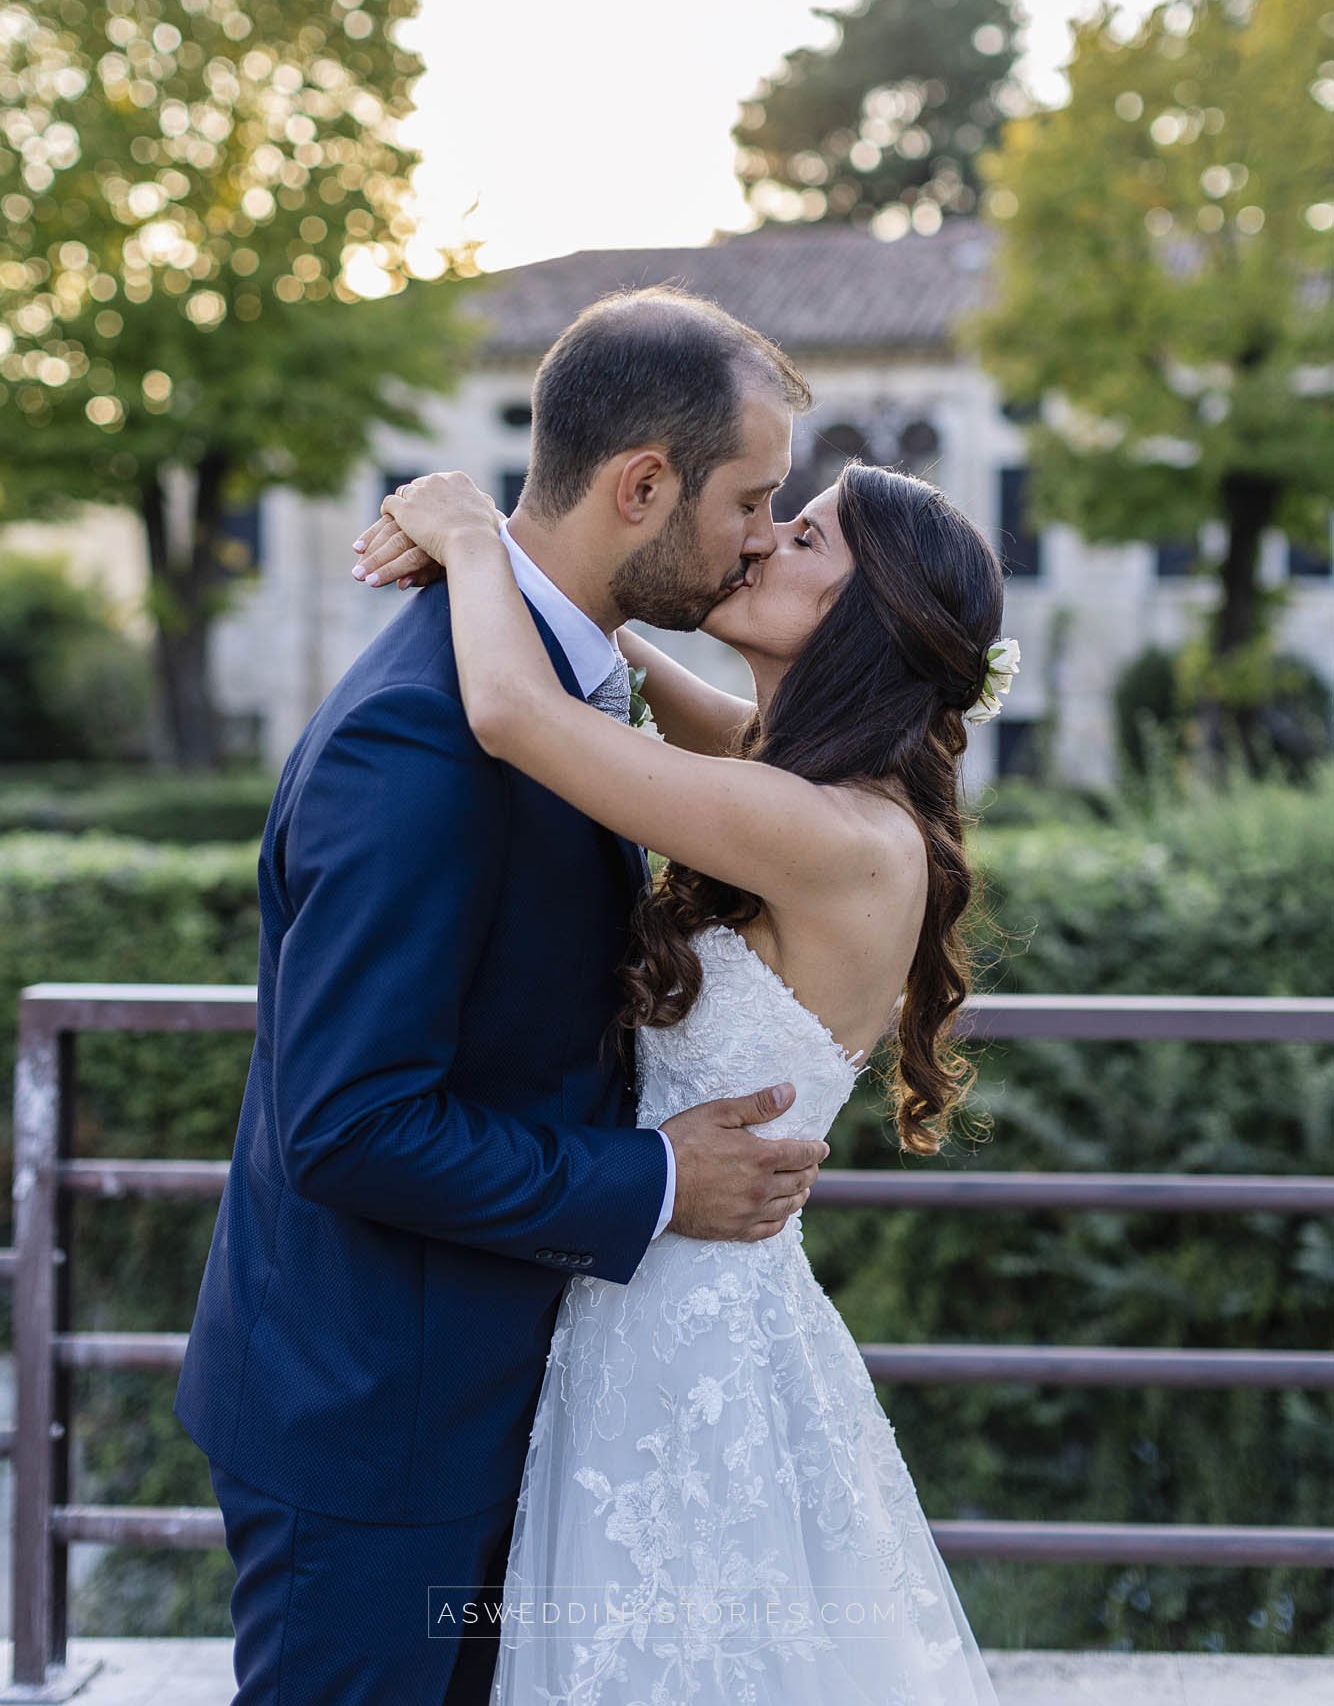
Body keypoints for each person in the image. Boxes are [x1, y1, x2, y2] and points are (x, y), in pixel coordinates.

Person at [173, 286, 832, 1706]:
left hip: (491, 1401)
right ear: (642, 486)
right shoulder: (419, 739)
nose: (760, 538)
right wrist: (652, 1180)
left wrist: (478, 541)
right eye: (750, 499)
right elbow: (347, 1124)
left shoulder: (554, 677)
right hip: (378, 1432)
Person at [356, 446, 1015, 1704]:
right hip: (660, 1282)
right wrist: (531, 548)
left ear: (860, 621)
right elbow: (623, 674)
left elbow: (515, 713)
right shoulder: (802, 779)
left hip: (682, 1323)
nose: (761, 540)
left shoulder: (826, 831)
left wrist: (468, 532)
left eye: (803, 537)